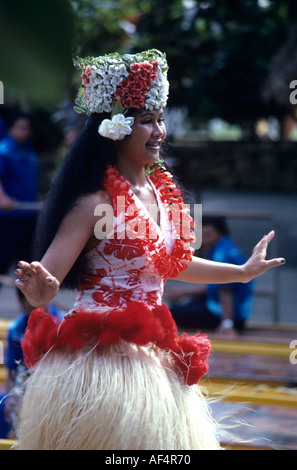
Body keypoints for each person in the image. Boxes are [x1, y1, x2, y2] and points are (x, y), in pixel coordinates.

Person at [14, 49, 285, 450]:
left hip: (154, 358)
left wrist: (242, 272)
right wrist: (40, 292)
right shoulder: (92, 203)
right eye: (146, 121)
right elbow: (48, 281)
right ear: (115, 129)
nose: (158, 131)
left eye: (160, 120)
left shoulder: (163, 194)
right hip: (97, 364)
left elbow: (172, 263)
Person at [167, 216, 254, 335]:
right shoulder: (224, 246)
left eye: (207, 234)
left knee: (173, 312)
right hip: (231, 311)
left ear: (219, 231)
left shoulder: (222, 254)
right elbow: (214, 286)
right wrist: (183, 292)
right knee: (184, 304)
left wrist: (227, 323)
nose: (204, 239)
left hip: (230, 316)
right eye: (202, 235)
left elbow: (225, 290)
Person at [4, 288, 65, 438]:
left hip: (58, 391)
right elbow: (12, 372)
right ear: (21, 302)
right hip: (25, 387)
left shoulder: (64, 324)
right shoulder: (15, 329)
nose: (37, 304)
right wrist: (12, 399)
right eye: (30, 299)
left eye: (41, 298)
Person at [0, 112, 39, 278]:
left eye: (27, 128)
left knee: (28, 267)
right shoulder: (3, 151)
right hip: (8, 217)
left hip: (28, 214)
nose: (26, 132)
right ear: (11, 129)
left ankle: (28, 304)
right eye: (21, 128)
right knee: (2, 262)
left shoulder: (29, 152)